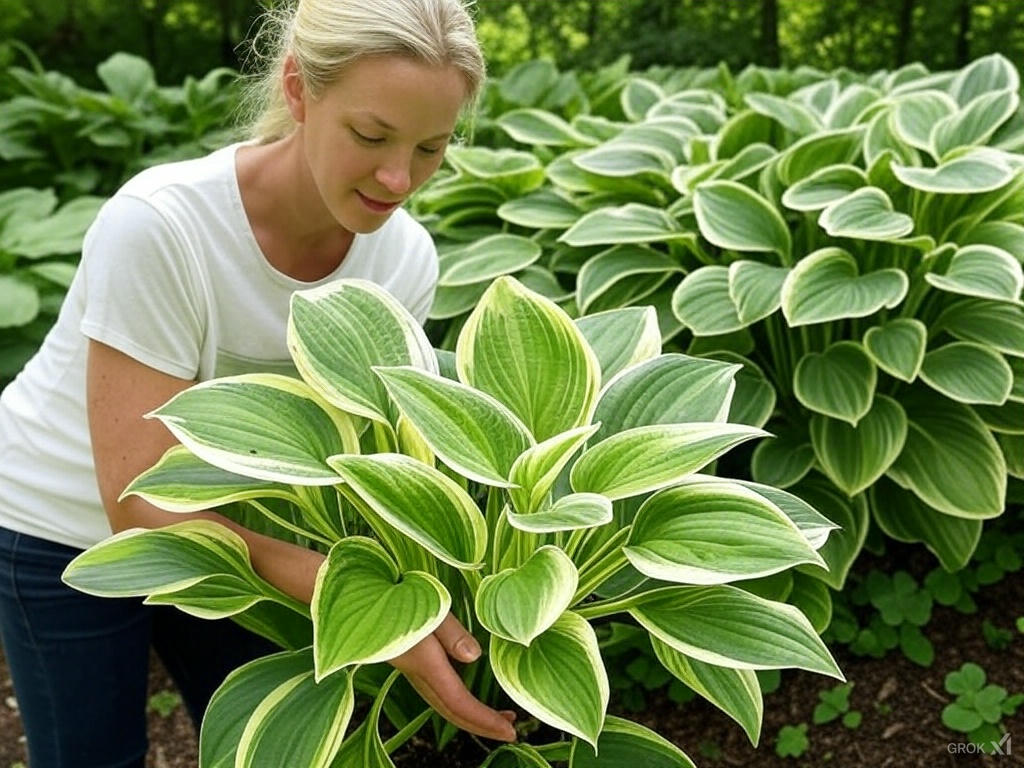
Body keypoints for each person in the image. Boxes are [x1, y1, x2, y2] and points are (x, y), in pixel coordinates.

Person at [0, 1, 518, 764]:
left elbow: (373, 457)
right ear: (300, 89)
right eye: (371, 137)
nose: (398, 177)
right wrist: (351, 601)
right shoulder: (161, 225)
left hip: (244, 525)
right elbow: (137, 500)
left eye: (432, 148)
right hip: (67, 524)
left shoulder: (405, 257)